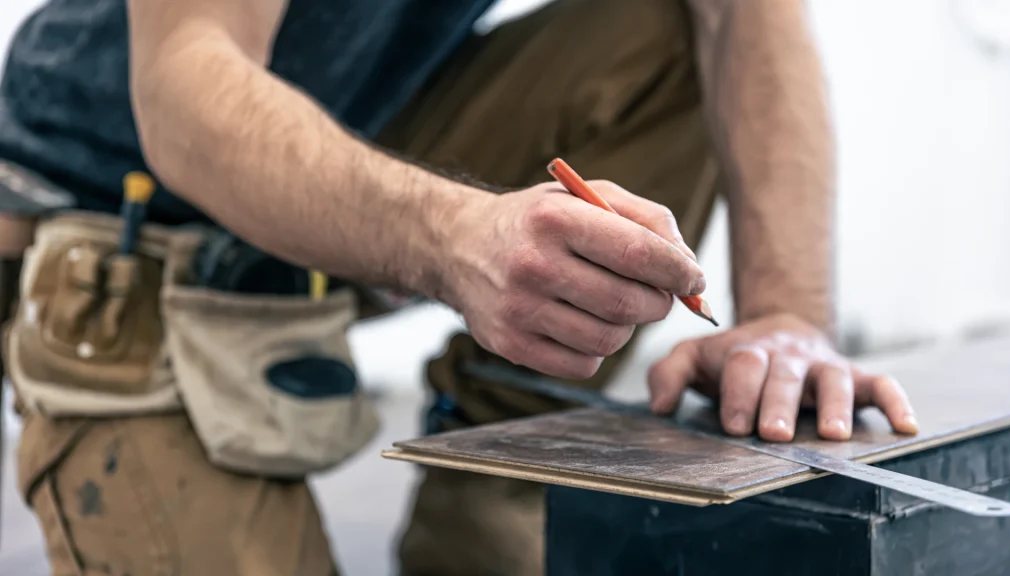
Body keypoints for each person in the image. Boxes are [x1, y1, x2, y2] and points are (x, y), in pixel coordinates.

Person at [0, 0, 918, 574]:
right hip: (111, 218)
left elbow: (746, 16)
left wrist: (789, 316)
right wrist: (454, 235)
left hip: (346, 139)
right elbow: (182, 84)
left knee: (659, 33)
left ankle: (491, 460)